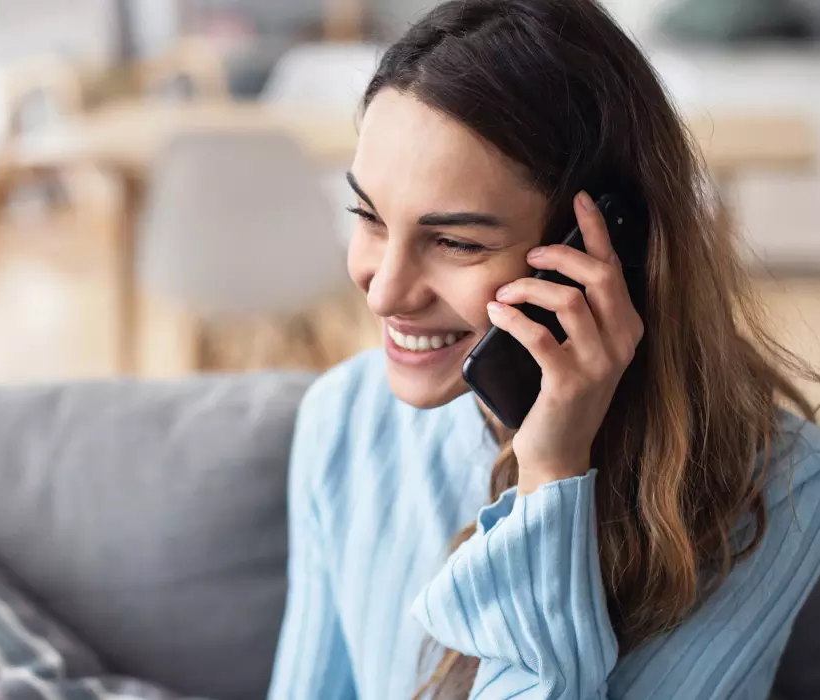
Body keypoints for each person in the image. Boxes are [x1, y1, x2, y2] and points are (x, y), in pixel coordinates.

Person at [266, 0, 820, 698]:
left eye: (454, 242)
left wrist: (551, 478)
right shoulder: (342, 419)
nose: (384, 292)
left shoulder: (780, 489)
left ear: (597, 252)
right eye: (368, 217)